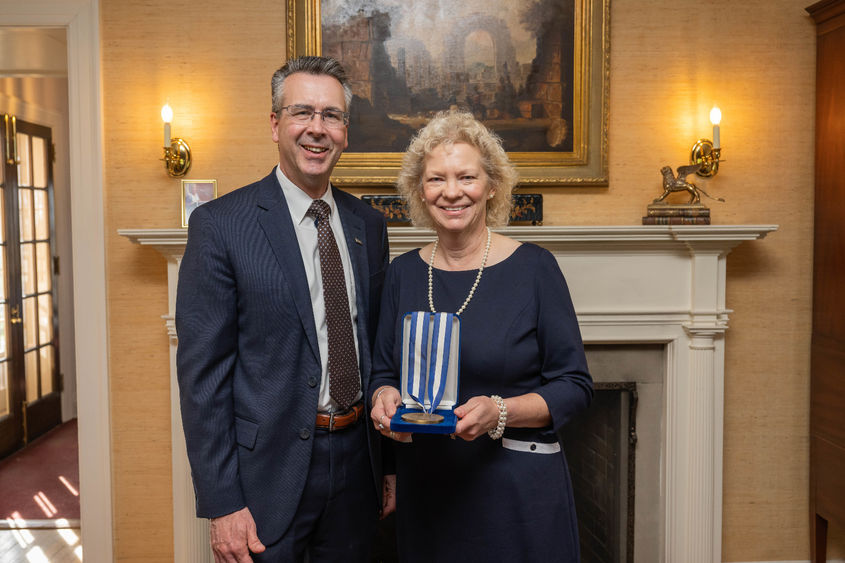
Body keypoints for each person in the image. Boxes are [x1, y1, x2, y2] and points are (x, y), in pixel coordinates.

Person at [176, 55, 391, 562]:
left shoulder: (369, 226)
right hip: (264, 478)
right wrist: (222, 502)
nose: (317, 129)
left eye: (332, 116)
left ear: (345, 131)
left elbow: (381, 351)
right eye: (302, 113)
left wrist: (391, 468)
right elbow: (202, 379)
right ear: (275, 124)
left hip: (358, 466)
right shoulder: (221, 226)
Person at [369, 110, 593, 562]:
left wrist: (500, 411)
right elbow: (382, 371)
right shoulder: (402, 273)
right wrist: (384, 394)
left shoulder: (535, 269)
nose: (452, 192)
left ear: (492, 186)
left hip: (517, 492)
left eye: (466, 177)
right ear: (420, 191)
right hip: (429, 493)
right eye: (436, 179)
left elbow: (575, 387)